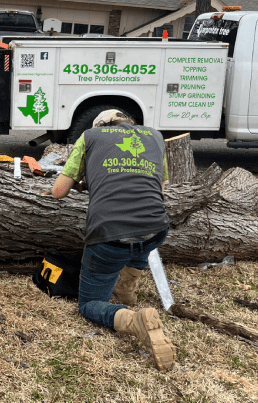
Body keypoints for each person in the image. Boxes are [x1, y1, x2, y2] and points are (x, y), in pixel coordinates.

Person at [51, 109, 176, 371]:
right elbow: (159, 189)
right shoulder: (154, 136)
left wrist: (84, 181)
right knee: (141, 234)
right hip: (156, 228)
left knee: (89, 305)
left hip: (110, 233)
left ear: (100, 125)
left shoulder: (90, 136)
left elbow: (58, 192)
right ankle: (126, 291)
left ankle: (133, 321)